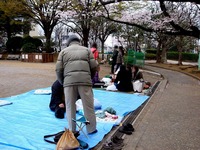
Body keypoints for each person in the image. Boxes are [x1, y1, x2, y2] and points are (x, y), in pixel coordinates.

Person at [56, 34, 98, 134]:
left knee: (70, 107)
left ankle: (72, 130)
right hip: (85, 82)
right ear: (78, 41)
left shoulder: (63, 52)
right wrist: (89, 78)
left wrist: (63, 82)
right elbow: (94, 67)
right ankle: (91, 129)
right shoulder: (87, 50)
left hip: (69, 83)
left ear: (68, 42)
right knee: (88, 106)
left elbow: (58, 70)